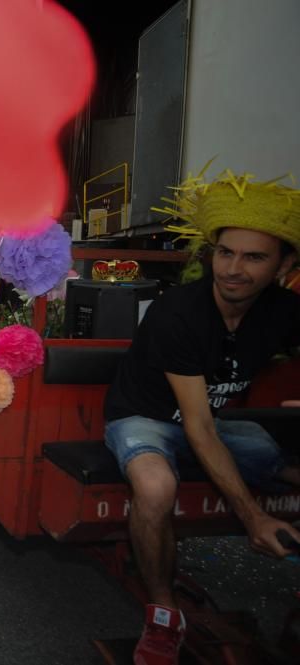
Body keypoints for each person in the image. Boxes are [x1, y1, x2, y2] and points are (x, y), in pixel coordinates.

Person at [102, 172, 300, 665]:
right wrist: (252, 517)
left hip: (215, 424)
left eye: (254, 257)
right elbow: (197, 427)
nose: (233, 269)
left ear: (285, 264)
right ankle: (163, 614)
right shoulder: (179, 314)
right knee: (155, 487)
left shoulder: (285, 311)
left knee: (287, 460)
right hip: (143, 418)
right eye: (226, 253)